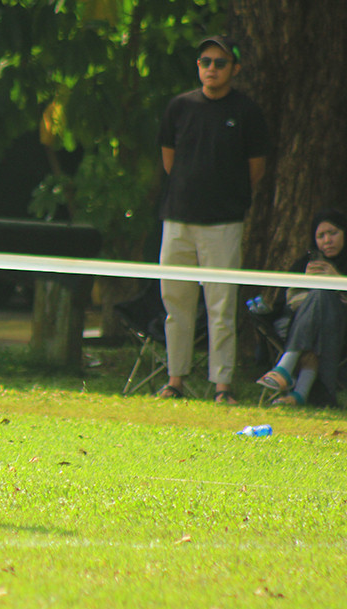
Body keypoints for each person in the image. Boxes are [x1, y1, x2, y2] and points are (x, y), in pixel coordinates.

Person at [156, 35, 269, 404]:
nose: (212, 69)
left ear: (234, 69)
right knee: (177, 304)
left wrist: (224, 197)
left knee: (221, 306)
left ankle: (222, 387)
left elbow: (256, 169)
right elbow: (169, 160)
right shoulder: (179, 106)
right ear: (198, 66)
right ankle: (175, 381)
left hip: (223, 224)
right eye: (206, 61)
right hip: (178, 220)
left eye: (220, 63)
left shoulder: (248, 111)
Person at [256, 209, 347, 406]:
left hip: (341, 328)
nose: (327, 240)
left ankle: (285, 367)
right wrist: (303, 282)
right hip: (303, 323)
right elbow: (285, 302)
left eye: (333, 233)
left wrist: (337, 279)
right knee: (318, 308)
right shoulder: (306, 262)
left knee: (322, 296)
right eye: (320, 236)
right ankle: (300, 396)